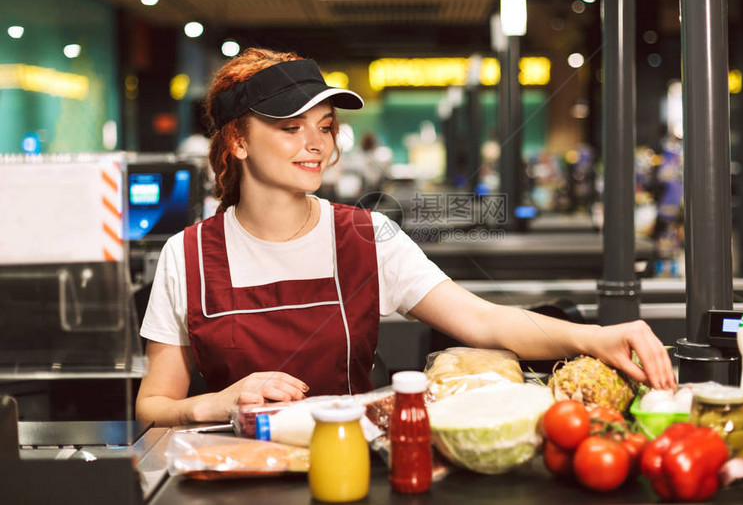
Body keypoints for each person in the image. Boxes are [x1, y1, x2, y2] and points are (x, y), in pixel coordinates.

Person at [136, 48, 677, 426]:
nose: (316, 144)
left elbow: (483, 320)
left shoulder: (368, 236)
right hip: (232, 472)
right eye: (289, 127)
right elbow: (154, 403)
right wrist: (217, 402)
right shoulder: (187, 256)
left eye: (324, 126)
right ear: (237, 142)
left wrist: (593, 337)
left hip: (348, 464)